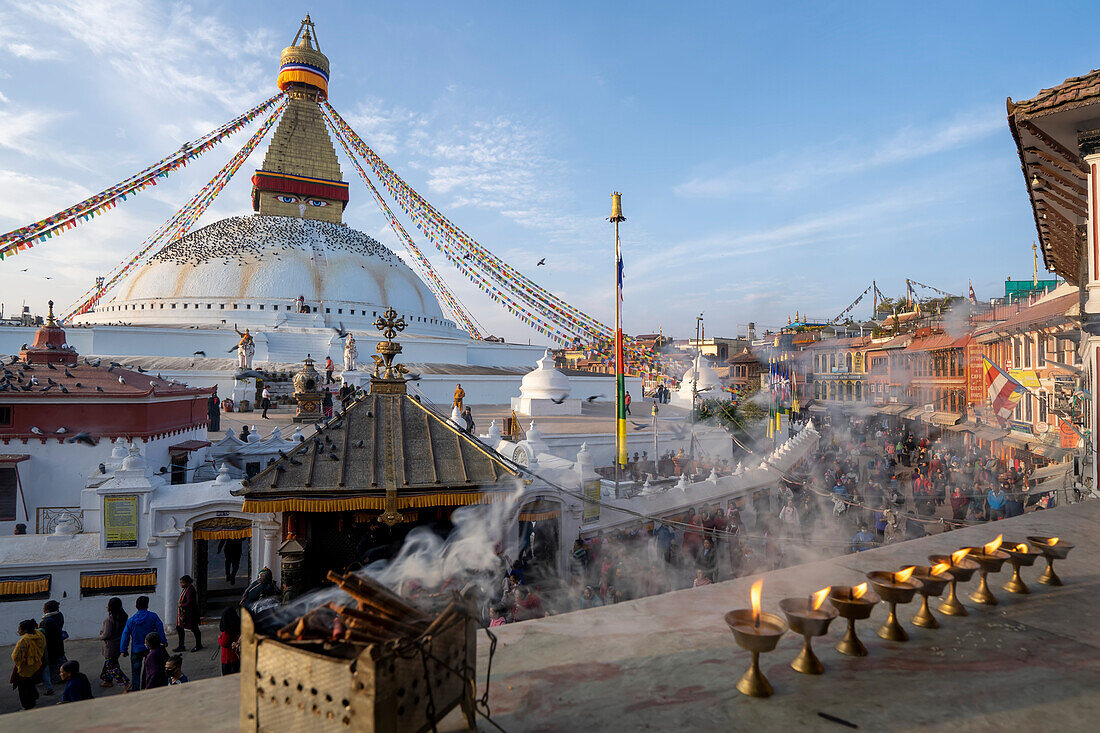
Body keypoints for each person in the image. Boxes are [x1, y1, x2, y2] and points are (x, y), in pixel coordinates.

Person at [120, 595, 166, 691]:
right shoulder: (153, 617)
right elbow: (160, 629)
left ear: (136, 606)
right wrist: (163, 641)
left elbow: (125, 635)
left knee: (135, 672)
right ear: (147, 605)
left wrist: (123, 650)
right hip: (151, 649)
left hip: (136, 649)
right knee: (149, 670)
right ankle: (146, 686)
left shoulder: (131, 621)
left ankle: (136, 690)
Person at [11, 619, 45, 710]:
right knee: (30, 682)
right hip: (36, 664)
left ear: (25, 630)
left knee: (23, 687)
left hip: (25, 667)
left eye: (19, 629)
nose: (18, 631)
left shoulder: (24, 641)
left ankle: (28, 705)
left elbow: (15, 656)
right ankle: (33, 698)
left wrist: (21, 663)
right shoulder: (39, 635)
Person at [97, 597, 129, 688]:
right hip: (119, 643)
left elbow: (106, 634)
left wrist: (101, 635)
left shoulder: (109, 620)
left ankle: (125, 683)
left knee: (112, 666)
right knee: (110, 662)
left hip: (110, 646)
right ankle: (107, 680)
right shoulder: (123, 616)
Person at [40, 600, 66, 688]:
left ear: (47, 610)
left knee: (53, 663)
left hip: (50, 646)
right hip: (58, 643)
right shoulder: (59, 615)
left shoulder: (46, 622)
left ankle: (57, 679)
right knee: (60, 660)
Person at [174, 575, 202, 652]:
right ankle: (181, 645)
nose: (181, 584)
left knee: (194, 629)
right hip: (184, 613)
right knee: (179, 628)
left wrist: (181, 605)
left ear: (187, 582)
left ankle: (198, 645)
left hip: (190, 614)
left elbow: (190, 603)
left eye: (182, 583)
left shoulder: (190, 590)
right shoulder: (186, 589)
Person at [218, 607, 241, 676]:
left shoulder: (227, 633)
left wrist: (219, 639)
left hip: (227, 659)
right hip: (236, 657)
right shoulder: (238, 628)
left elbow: (223, 643)